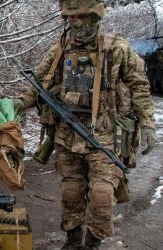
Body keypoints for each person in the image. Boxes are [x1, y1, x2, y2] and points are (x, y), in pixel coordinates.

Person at [12, 1, 156, 249]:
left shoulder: (116, 48)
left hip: (105, 137)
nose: (72, 21)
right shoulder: (61, 48)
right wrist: (19, 103)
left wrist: (147, 123)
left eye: (78, 16)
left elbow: (139, 86)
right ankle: (73, 239)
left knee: (101, 196)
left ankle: (92, 242)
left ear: (94, 17)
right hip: (67, 135)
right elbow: (39, 82)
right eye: (69, 16)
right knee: (71, 192)